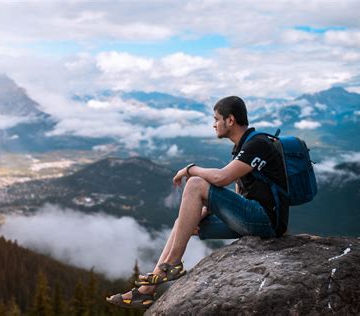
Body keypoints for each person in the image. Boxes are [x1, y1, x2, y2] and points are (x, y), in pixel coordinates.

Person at [106, 96, 289, 309]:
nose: (213, 124)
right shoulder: (244, 145)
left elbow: (222, 178)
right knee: (182, 225)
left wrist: (189, 169)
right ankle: (145, 292)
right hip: (252, 218)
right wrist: (204, 211)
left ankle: (172, 262)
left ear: (230, 120)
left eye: (216, 119)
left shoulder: (257, 144)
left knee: (195, 184)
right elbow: (239, 192)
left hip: (265, 220)